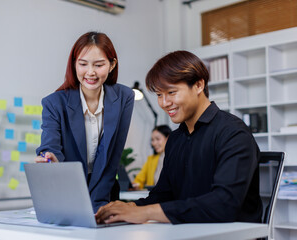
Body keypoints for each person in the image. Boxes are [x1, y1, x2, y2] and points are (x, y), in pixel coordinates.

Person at [96, 50, 263, 224]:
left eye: (171, 92)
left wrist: (146, 213)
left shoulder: (233, 133)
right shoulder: (176, 139)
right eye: (159, 95)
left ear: (198, 85)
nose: (164, 103)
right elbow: (164, 195)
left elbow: (224, 204)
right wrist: (130, 207)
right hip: (190, 232)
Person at [35, 32, 134, 212]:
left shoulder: (124, 97)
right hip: (67, 192)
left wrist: (98, 205)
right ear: (74, 65)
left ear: (112, 65)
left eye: (99, 65)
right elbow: (50, 145)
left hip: (105, 193)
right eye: (83, 64)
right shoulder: (54, 103)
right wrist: (51, 158)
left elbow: (113, 156)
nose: (90, 72)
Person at [132, 125, 172, 190]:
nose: (154, 143)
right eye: (152, 140)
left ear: (168, 138)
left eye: (158, 139)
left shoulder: (176, 157)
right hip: (155, 197)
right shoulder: (151, 160)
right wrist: (136, 185)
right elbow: (139, 179)